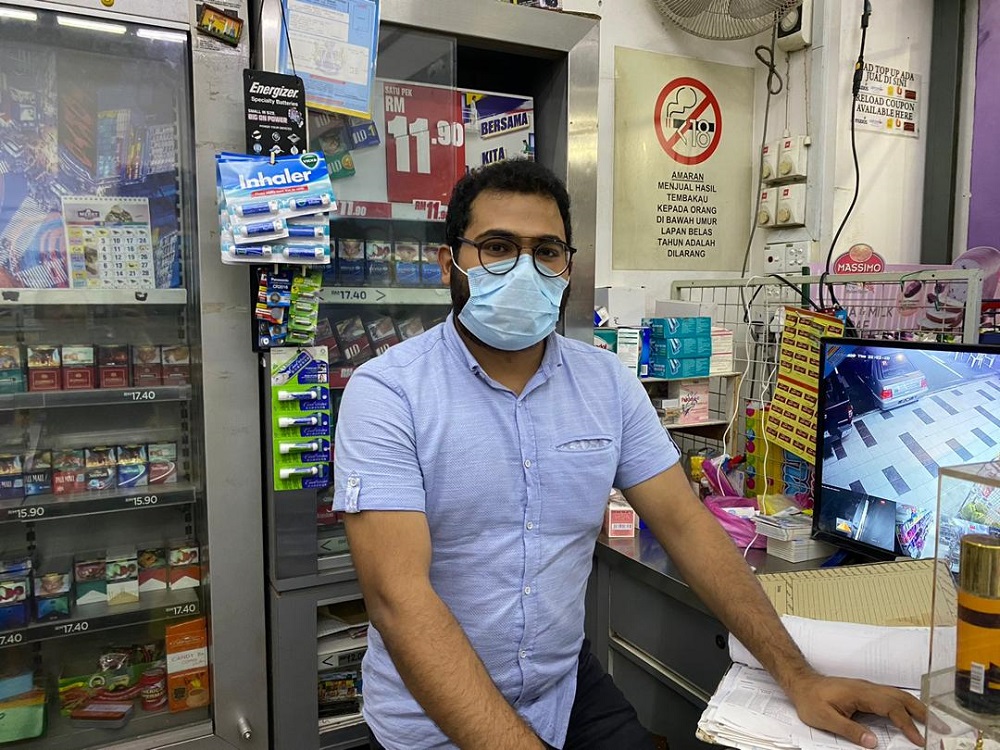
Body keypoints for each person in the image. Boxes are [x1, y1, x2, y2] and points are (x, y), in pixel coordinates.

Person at [332, 159, 926, 750]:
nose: (524, 269)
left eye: (546, 251)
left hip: (564, 695)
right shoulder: (388, 393)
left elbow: (687, 525)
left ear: (567, 266)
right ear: (449, 263)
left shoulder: (603, 383)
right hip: (433, 716)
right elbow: (398, 598)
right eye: (496, 247)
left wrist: (798, 677)